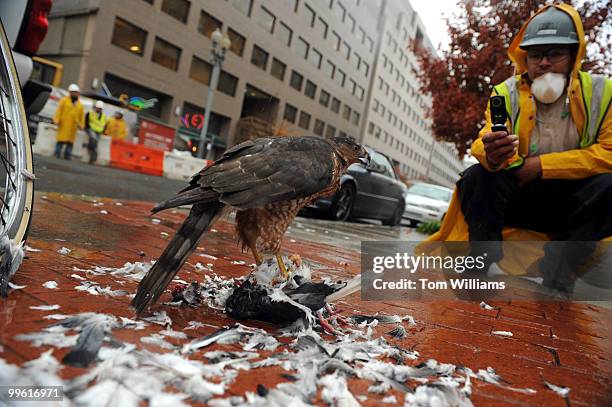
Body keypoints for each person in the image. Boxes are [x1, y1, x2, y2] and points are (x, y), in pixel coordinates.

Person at [426, 4, 611, 292]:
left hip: (572, 204)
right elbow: (484, 136)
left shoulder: (603, 92)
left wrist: (542, 166)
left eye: (555, 54)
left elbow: (609, 153)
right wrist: (491, 154)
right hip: (516, 197)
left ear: (574, 56)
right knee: (476, 176)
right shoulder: (505, 92)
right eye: (536, 55)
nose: (544, 63)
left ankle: (559, 275)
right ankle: (479, 265)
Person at [53, 83, 84, 160]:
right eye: (73, 92)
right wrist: (56, 120)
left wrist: (81, 125)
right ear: (70, 92)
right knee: (60, 140)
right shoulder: (64, 101)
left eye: (76, 92)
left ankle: (67, 155)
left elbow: (82, 116)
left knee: (70, 142)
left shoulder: (80, 105)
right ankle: (57, 154)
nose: (75, 93)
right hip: (64, 124)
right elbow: (59, 111)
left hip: (73, 126)